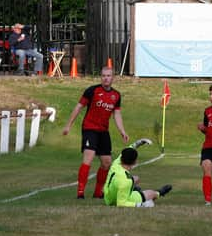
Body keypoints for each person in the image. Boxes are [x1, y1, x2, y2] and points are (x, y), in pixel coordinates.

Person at [62, 66, 129, 199]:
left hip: (103, 131)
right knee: (89, 158)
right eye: (103, 75)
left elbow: (117, 114)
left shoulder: (116, 95)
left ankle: (98, 192)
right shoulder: (92, 91)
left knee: (107, 162)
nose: (106, 78)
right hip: (90, 129)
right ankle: (80, 192)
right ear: (101, 77)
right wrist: (68, 125)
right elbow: (78, 107)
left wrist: (122, 131)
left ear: (113, 78)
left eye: (108, 76)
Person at [103, 138, 172, 207]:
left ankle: (133, 189)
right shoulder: (126, 181)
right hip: (113, 200)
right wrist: (142, 204)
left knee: (136, 178)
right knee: (151, 193)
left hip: (107, 195)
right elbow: (121, 203)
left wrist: (139, 142)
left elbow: (130, 148)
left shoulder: (116, 163)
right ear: (135, 162)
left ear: (121, 158)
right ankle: (159, 193)